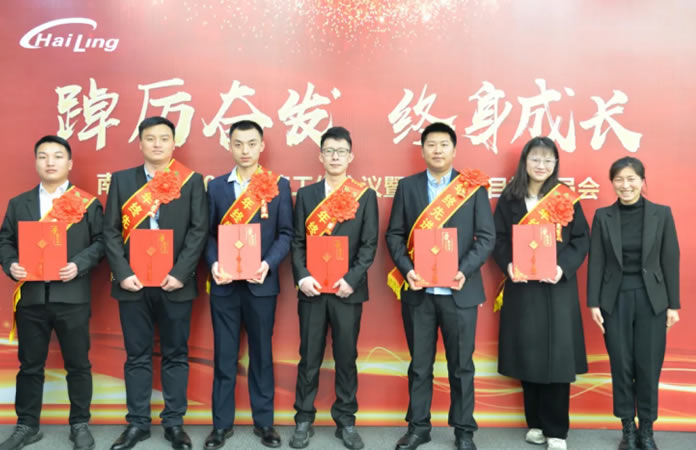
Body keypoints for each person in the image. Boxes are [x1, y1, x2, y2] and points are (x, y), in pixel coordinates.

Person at [385, 122, 495, 450]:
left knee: (462, 367)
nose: (437, 150)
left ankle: (464, 431)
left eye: (443, 144)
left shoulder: (471, 188)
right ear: (422, 150)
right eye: (431, 144)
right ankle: (418, 427)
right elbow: (394, 235)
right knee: (420, 365)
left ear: (454, 149)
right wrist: (407, 270)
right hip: (420, 293)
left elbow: (486, 237)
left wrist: (464, 270)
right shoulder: (408, 187)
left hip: (460, 292)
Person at [103, 116, 208, 450]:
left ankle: (174, 424)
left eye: (164, 138)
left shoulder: (191, 181)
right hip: (132, 283)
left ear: (174, 143)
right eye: (150, 138)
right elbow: (110, 231)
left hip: (175, 283)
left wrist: (180, 273)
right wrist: (123, 273)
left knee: (176, 354)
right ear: (140, 143)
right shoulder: (122, 180)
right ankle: (137, 424)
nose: (157, 144)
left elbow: (198, 230)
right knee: (137, 355)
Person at [0, 135, 104, 450]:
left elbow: (102, 242)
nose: (50, 162)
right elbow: (5, 241)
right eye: (43, 156)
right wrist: (11, 264)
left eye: (57, 156)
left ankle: (79, 423)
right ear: (36, 162)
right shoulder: (19, 203)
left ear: (69, 163)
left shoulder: (86, 203)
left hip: (72, 296)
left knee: (78, 364)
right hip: (31, 297)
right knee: (30, 365)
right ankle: (26, 425)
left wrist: (79, 264)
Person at [492, 136, 589, 450]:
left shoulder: (566, 197)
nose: (541, 165)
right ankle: (534, 423)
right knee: (528, 354)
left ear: (555, 164)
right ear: (525, 161)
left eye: (548, 160)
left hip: (557, 287)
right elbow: (497, 238)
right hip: (523, 288)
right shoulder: (510, 197)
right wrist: (508, 265)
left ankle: (556, 430)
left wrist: (562, 268)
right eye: (535, 158)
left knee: (557, 358)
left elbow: (581, 240)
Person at [204, 120, 293, 449]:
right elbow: (207, 234)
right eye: (238, 143)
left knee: (261, 355)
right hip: (224, 285)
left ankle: (264, 423)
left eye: (251, 143)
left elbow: (286, 233)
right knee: (224, 356)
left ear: (261, 146)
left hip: (261, 285)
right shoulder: (216, 187)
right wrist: (214, 264)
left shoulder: (278, 185)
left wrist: (267, 264)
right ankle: (221, 425)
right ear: (230, 146)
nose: (245, 150)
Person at [289, 127, 378, 450]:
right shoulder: (307, 195)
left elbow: (369, 244)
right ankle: (303, 419)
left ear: (350, 156)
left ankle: (346, 421)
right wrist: (302, 277)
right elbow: (297, 241)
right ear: (321, 156)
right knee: (309, 357)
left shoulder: (364, 195)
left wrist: (352, 279)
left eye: (341, 151)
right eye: (329, 151)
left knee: (346, 356)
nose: (335, 157)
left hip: (347, 292)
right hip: (312, 291)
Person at [587, 157, 679, 450]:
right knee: (621, 365)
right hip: (614, 300)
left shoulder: (661, 214)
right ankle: (628, 429)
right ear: (612, 183)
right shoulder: (603, 216)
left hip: (652, 300)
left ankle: (647, 430)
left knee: (649, 365)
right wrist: (593, 303)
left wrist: (673, 305)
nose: (625, 185)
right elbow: (596, 261)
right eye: (619, 180)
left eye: (631, 179)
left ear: (642, 181)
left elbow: (670, 260)